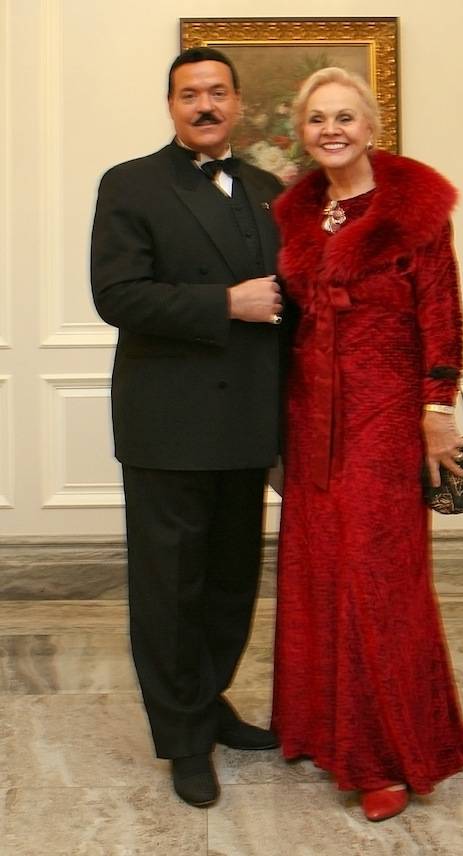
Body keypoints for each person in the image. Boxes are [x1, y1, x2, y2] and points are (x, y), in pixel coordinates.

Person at [271, 67, 463, 822]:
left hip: (385, 421)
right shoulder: (293, 213)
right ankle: (318, 729)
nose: (331, 129)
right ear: (302, 131)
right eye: (318, 118)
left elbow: (443, 313)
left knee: (378, 578)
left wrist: (436, 406)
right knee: (316, 570)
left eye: (345, 117)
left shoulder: (415, 210)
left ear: (371, 127)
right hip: (310, 420)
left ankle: (386, 755)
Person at [90, 47, 284, 808]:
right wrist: (224, 304)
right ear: (171, 106)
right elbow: (117, 295)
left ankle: (208, 701)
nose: (204, 105)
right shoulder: (130, 182)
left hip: (247, 422)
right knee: (171, 590)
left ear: (237, 102)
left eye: (217, 92)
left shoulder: (268, 189)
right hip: (168, 424)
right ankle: (182, 740)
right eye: (189, 94)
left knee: (232, 582)